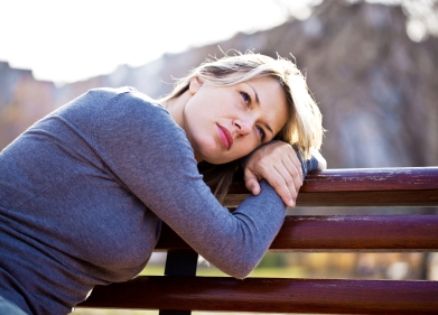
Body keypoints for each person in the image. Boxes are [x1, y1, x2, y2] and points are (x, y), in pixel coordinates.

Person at [0, 52, 325, 315]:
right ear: (200, 81)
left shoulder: (169, 177)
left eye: (261, 132)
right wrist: (296, 159)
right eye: (244, 98)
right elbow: (239, 250)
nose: (244, 125)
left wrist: (282, 155)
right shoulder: (139, 118)